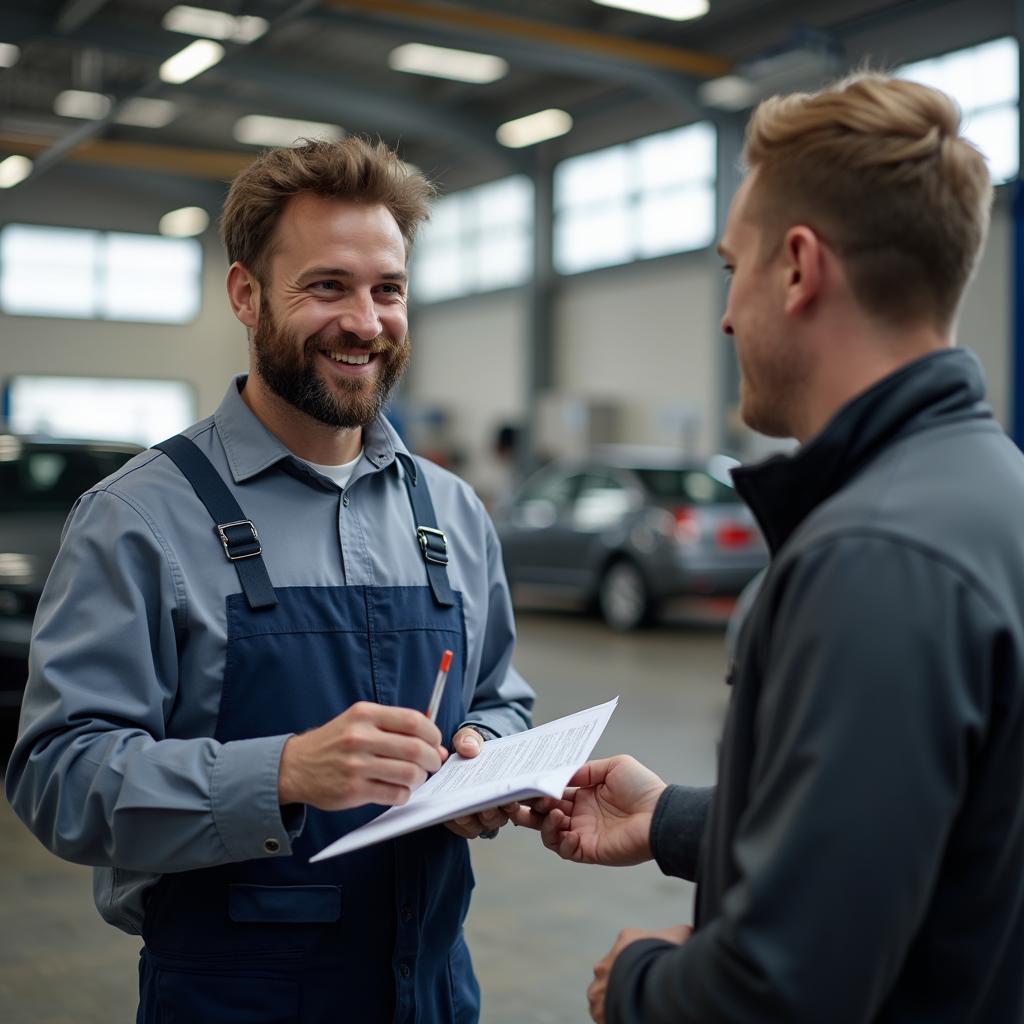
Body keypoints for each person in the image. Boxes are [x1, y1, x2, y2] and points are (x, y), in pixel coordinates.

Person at [513, 72, 1024, 1023]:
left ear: (797, 267)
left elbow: (780, 996)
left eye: (728, 268)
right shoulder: (994, 496)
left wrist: (639, 986)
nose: (724, 314)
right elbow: (922, 840)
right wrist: (670, 819)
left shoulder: (873, 559)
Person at [5, 136, 535, 1024]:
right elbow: (60, 777)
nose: (365, 322)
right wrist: (283, 771)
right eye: (327, 286)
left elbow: (501, 696)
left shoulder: (451, 511)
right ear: (246, 295)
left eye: (388, 289)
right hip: (233, 999)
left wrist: (486, 754)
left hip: (436, 993)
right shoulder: (137, 518)